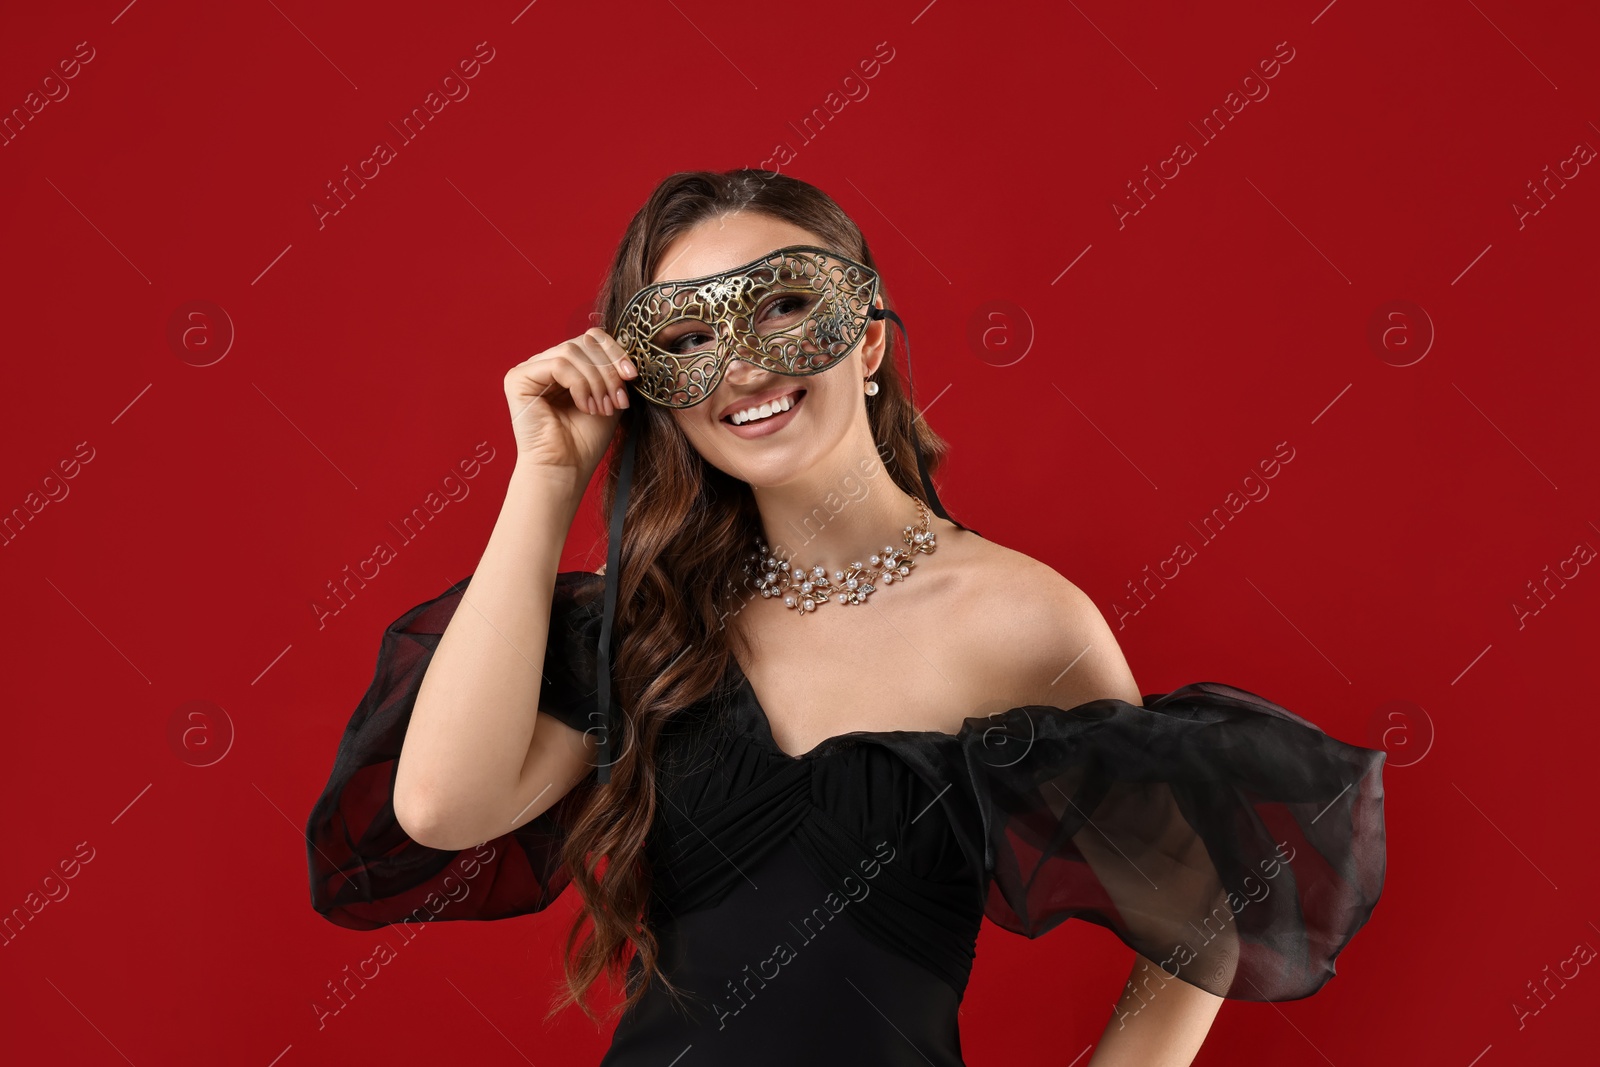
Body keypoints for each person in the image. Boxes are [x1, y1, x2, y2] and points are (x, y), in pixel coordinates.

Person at [305, 168, 1387, 1066]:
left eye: (783, 307)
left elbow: (1206, 897)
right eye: (689, 333)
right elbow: (444, 807)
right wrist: (546, 476)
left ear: (866, 343)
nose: (744, 361)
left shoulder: (1019, 619)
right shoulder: (653, 628)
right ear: (662, 387)